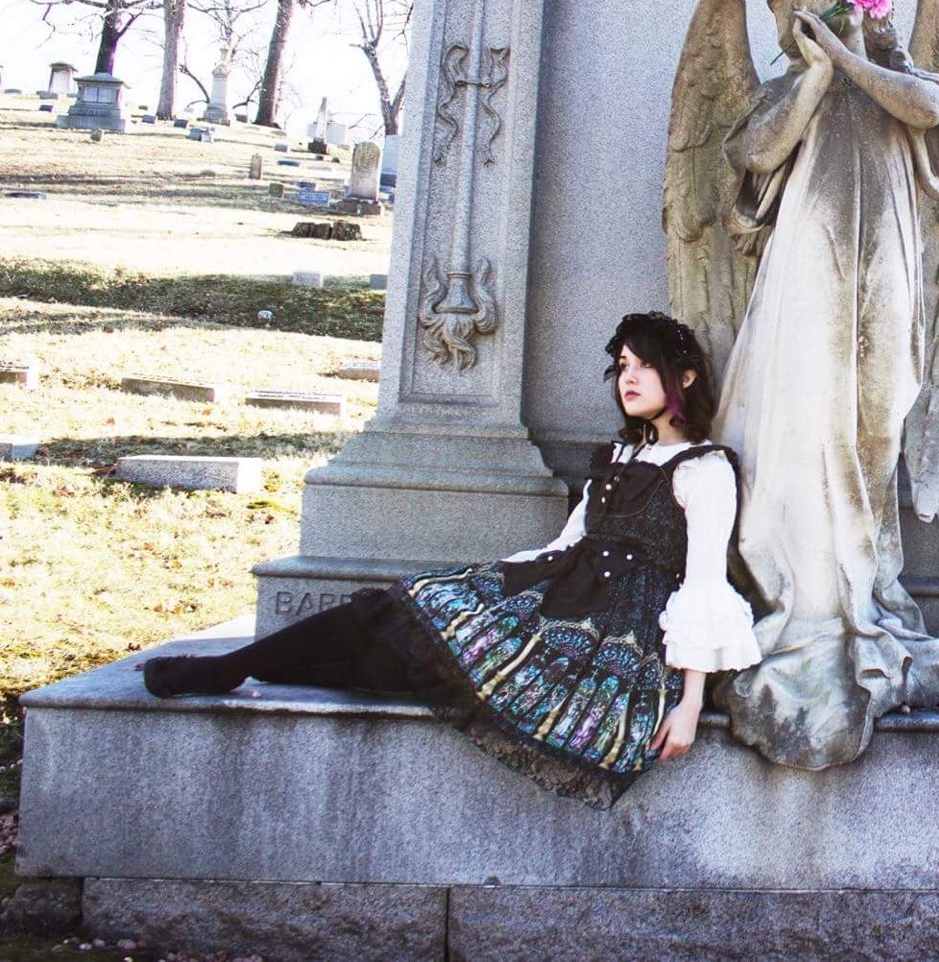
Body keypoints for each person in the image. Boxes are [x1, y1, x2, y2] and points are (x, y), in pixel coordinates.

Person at [144, 311, 760, 807]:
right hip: (561, 590)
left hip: (618, 631)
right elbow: (567, 543)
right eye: (622, 365)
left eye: (646, 365)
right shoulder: (618, 456)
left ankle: (247, 668)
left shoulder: (705, 469)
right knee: (393, 613)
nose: (628, 377)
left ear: (682, 378)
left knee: (409, 662)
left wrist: (688, 701)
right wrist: (494, 586)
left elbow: (703, 581)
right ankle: (231, 668)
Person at [713, 0, 939, 770]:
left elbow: (929, 111)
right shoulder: (793, 91)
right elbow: (755, 155)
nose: (832, 2)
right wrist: (818, 71)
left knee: (873, 426)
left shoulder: (900, 84)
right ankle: (812, 602)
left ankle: (869, 593)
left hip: (884, 273)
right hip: (808, 280)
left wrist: (854, 55)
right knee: (807, 426)